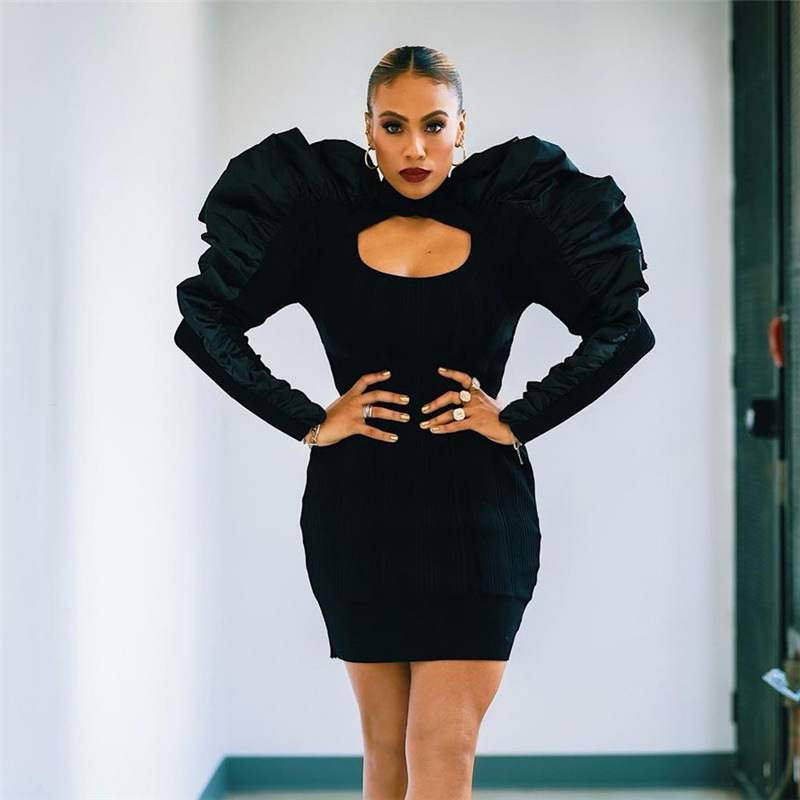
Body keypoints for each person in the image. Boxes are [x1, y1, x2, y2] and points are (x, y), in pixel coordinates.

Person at [173, 45, 655, 800]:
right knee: (385, 754)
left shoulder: (512, 223)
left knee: (442, 749)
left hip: (478, 520)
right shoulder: (319, 224)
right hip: (356, 515)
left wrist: (520, 419)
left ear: (462, 128)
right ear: (367, 128)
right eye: (394, 126)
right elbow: (205, 320)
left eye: (434, 125)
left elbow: (622, 327)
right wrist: (308, 420)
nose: (415, 148)